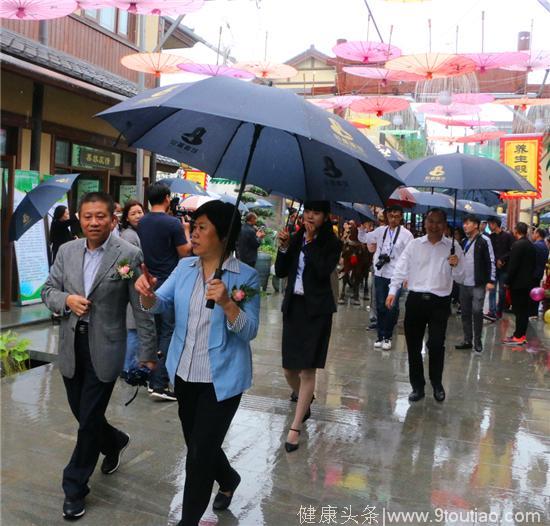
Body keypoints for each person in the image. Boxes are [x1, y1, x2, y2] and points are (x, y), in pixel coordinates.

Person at [136, 201, 260, 526]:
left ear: (223, 233)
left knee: (198, 456)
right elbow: (161, 303)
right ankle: (229, 479)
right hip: (185, 374)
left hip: (223, 381)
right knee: (198, 443)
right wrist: (148, 296)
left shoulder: (245, 277)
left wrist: (227, 305)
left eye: (203, 226)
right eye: (193, 225)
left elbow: (250, 331)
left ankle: (187, 521)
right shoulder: (185, 267)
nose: (193, 232)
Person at [41, 192, 157, 521]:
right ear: (79, 217)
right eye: (88, 216)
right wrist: (67, 300)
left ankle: (74, 486)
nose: (94, 222)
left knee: (88, 420)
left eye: (100, 216)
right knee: (83, 414)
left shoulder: (129, 255)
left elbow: (141, 307)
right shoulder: (66, 251)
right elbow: (47, 291)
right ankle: (115, 440)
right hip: (71, 347)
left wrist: (147, 352)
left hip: (106, 347)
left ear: (112, 219)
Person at [275, 201, 342, 452]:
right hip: (294, 308)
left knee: (307, 371)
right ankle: (306, 399)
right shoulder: (295, 237)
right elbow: (282, 272)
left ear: (325, 217)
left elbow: (323, 270)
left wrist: (311, 242)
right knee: (288, 369)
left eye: (316, 213)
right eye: (308, 212)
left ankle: (295, 427)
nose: (310, 216)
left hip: (317, 311)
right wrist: (283, 248)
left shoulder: (332, 243)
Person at [386, 208, 464, 403]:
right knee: (413, 346)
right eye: (431, 221)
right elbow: (400, 268)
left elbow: (463, 277)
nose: (434, 226)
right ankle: (417, 386)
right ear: (425, 222)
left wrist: (457, 265)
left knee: (436, 344)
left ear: (445, 225)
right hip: (416, 300)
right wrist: (392, 291)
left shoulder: (454, 247)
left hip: (440, 302)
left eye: (438, 222)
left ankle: (437, 383)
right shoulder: (414, 245)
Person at [138, 182, 193, 401]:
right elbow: (185, 255)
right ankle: (159, 383)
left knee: (157, 330)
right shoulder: (172, 223)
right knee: (169, 332)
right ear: (167, 198)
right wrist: (187, 231)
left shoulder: (142, 222)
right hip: (169, 283)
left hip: (149, 282)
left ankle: (153, 376)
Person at [367, 205, 413, 350]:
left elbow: (410, 256)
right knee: (380, 305)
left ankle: (388, 336)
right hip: (381, 273)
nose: (393, 219)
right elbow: (365, 238)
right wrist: (363, 227)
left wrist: (407, 276)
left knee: (391, 306)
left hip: (396, 276)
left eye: (396, 216)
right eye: (390, 216)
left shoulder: (407, 235)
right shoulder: (381, 231)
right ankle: (380, 335)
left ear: (401, 217)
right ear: (386, 216)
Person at [455, 215, 495, 353]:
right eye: (464, 223)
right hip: (464, 283)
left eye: (468, 223)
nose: (465, 225)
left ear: (476, 225)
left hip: (478, 283)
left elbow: (491, 261)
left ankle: (478, 341)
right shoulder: (464, 241)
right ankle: (467, 339)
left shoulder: (484, 240)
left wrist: (491, 280)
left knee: (477, 311)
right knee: (465, 313)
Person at [120, 200, 147, 376]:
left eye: (140, 212)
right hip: (133, 290)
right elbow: (122, 267)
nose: (138, 216)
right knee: (133, 329)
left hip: (136, 288)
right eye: (133, 213)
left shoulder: (135, 233)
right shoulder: (129, 236)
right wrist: (131, 282)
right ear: (127, 218)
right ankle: (128, 367)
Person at [503, 222, 536, 345]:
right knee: (523, 311)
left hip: (518, 284)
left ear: (516, 231)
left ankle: (518, 336)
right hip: (527, 283)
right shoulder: (530, 245)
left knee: (519, 311)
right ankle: (521, 334)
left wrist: (507, 281)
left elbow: (513, 266)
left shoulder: (517, 245)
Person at [486, 217, 515, 321]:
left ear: (495, 224)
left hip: (504, 268)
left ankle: (499, 311)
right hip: (493, 268)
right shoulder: (490, 237)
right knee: (492, 290)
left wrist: (502, 259)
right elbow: (489, 252)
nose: (489, 226)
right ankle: (491, 311)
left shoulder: (508, 236)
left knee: (502, 292)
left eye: (490, 224)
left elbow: (512, 251)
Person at [530, 227, 549, 318]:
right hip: (540, 272)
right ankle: (534, 312)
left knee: (532, 292)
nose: (533, 234)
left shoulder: (536, 245)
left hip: (533, 273)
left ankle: (532, 312)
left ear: (538, 234)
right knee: (536, 291)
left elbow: (532, 260)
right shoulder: (545, 246)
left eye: (534, 233)